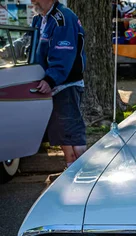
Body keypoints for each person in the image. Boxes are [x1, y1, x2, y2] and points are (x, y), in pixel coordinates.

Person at [31, 0, 87, 167]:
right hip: (52, 83)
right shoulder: (39, 19)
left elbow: (64, 54)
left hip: (65, 84)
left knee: (72, 130)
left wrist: (50, 79)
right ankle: (70, 168)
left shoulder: (63, 18)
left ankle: (82, 172)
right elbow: (30, 43)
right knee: (62, 131)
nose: (33, 1)